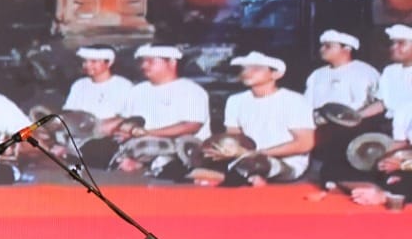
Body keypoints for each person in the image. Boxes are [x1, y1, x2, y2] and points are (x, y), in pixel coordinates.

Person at [195, 51, 313, 186]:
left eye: (256, 69)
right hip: (242, 158)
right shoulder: (235, 100)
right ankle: (239, 177)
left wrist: (256, 153)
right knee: (194, 159)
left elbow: (305, 143)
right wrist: (226, 149)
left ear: (276, 74)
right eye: (244, 69)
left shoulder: (294, 101)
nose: (247, 72)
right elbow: (234, 136)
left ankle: (233, 177)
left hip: (283, 162)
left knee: (257, 164)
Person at [109, 45, 210, 178]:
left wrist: (149, 133)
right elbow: (129, 120)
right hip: (143, 143)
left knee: (150, 146)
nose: (144, 65)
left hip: (182, 146)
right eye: (142, 61)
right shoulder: (137, 90)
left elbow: (192, 126)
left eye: (151, 61)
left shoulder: (192, 90)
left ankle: (157, 163)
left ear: (172, 62)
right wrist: (125, 131)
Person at [304, 30, 384, 188]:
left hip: (353, 130)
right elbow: (307, 103)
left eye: (328, 46)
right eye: (322, 46)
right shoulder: (317, 74)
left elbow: (377, 103)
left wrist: (349, 117)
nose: (322, 49)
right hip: (320, 127)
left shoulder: (365, 71)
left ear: (346, 49)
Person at [61, 45, 133, 129]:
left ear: (109, 63)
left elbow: (127, 116)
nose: (87, 65)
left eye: (93, 61)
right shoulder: (79, 84)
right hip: (77, 129)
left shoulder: (124, 86)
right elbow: (69, 111)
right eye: (85, 61)